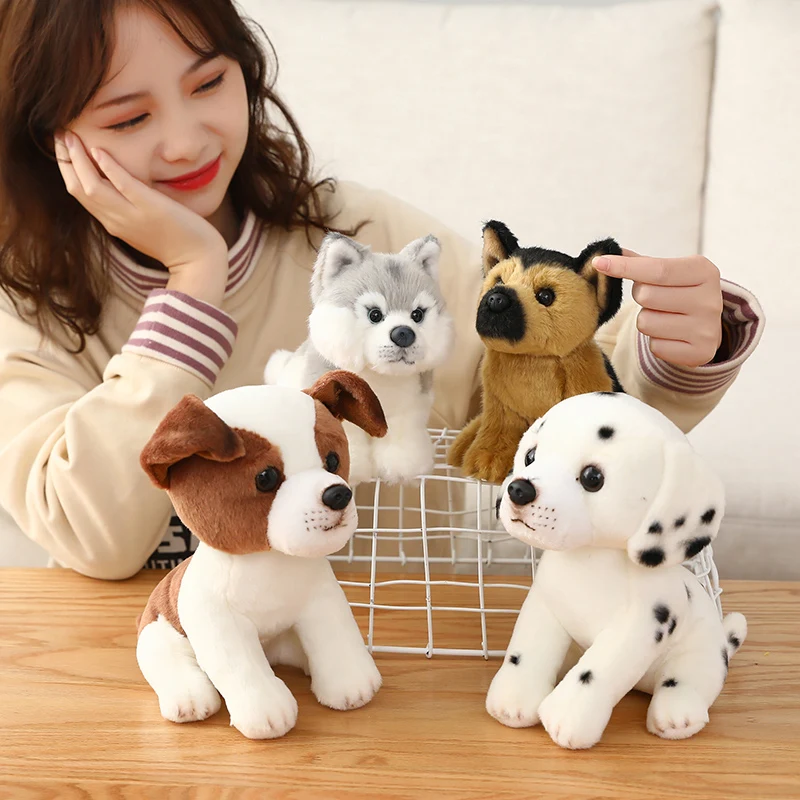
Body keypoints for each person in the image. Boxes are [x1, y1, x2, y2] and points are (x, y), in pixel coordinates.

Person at [0, 0, 763, 579]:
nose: (188, 140)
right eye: (130, 117)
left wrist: (670, 350)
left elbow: (548, 398)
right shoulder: (22, 297)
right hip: (144, 676)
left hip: (390, 653)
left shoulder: (357, 237)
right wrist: (194, 282)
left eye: (209, 82)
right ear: (47, 138)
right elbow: (95, 537)